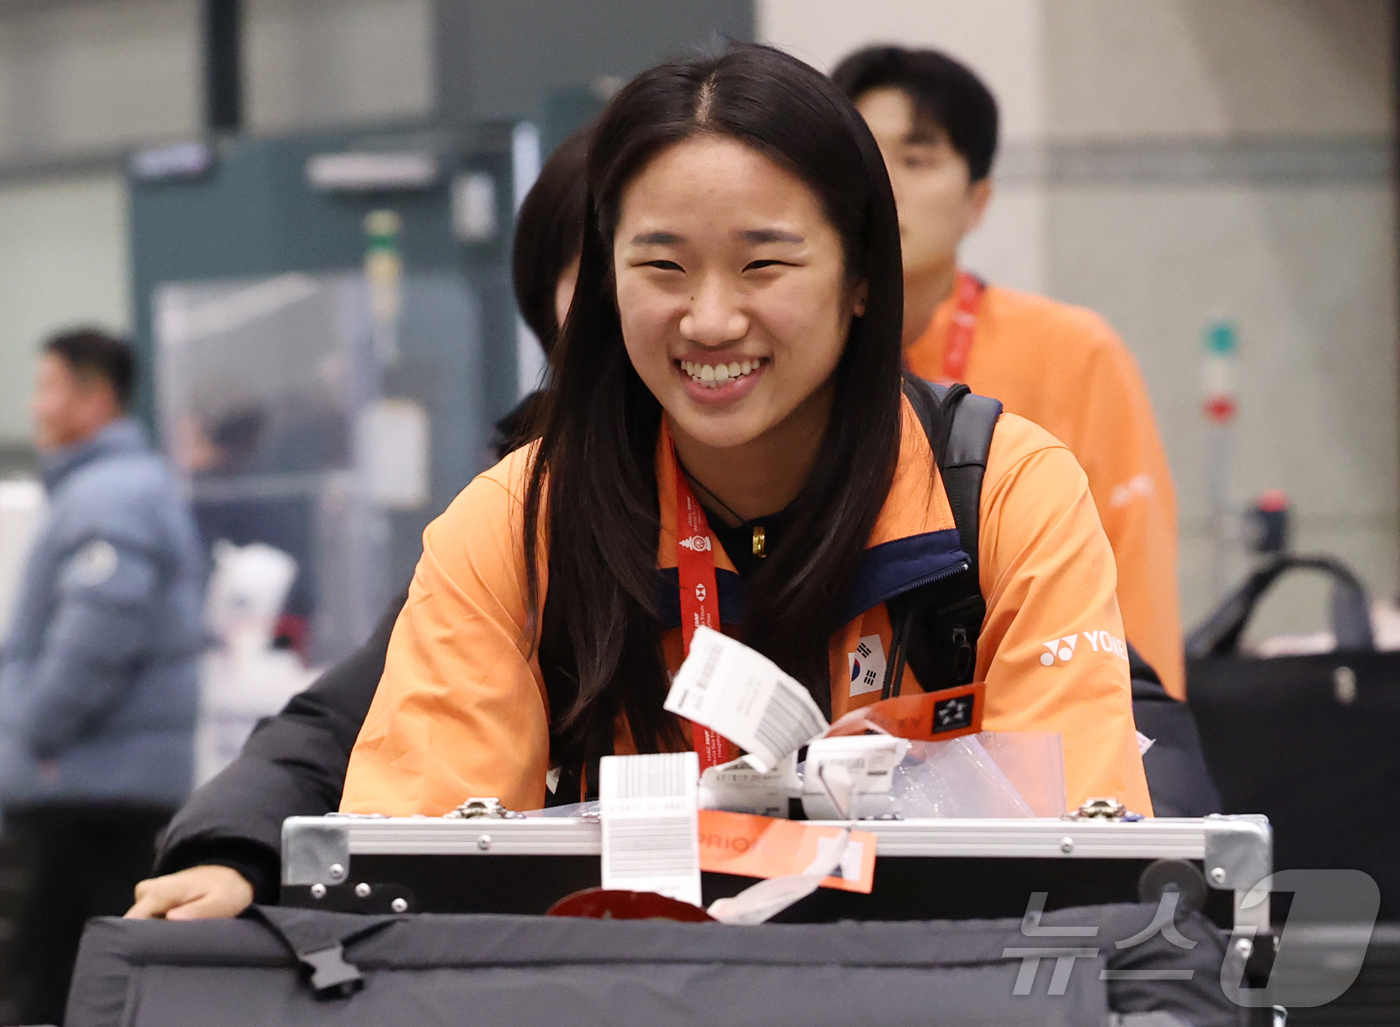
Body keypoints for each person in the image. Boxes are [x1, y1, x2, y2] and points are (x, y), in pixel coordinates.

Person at [339, 44, 1151, 818]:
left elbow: (1073, 866)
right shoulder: (516, 528)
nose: (712, 319)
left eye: (764, 265)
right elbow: (424, 873)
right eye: (663, 266)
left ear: (861, 277)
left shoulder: (1005, 495)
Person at [125, 127, 592, 922]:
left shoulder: (864, 481)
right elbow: (353, 709)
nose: (694, 312)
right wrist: (237, 846)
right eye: (622, 266)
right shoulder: (517, 506)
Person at [832, 47, 1186, 700]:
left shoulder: (1073, 350)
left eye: (916, 158)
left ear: (978, 200)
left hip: (1033, 726)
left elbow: (1133, 587)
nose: (885, 184)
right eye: (861, 156)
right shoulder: (795, 354)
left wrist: (1148, 742)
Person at [0, 330, 205, 1024]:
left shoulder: (109, 496)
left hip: (88, 788)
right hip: (95, 783)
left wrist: (34, 730)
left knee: (59, 983)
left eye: (48, 386)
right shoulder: (109, 489)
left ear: (95, 396)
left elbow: (96, 635)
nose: (36, 406)